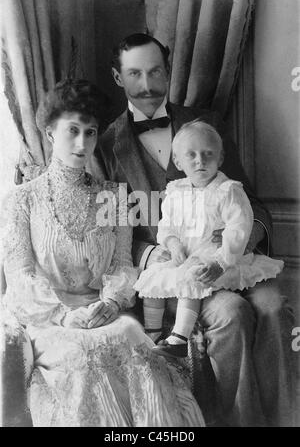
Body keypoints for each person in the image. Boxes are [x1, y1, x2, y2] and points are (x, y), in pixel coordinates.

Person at [93, 33, 295, 427]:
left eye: (155, 71)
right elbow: (113, 233)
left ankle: (285, 420)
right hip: (176, 273)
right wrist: (164, 253)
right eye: (135, 74)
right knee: (231, 312)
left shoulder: (206, 124)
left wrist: (241, 239)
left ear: (168, 72)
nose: (147, 84)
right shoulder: (105, 146)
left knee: (272, 307)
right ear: (119, 78)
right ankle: (238, 421)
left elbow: (251, 203)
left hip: (236, 256)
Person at [1, 79, 205, 427]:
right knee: (81, 357)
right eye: (72, 131)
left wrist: (111, 302)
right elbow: (20, 275)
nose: (82, 143)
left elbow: (124, 266)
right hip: (50, 319)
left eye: (91, 132)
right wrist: (64, 316)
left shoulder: (115, 196)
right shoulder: (23, 200)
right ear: (50, 134)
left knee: (133, 343)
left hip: (104, 312)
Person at [134, 120, 284, 358]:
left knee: (193, 279)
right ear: (178, 161)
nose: (200, 161)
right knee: (152, 280)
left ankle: (180, 338)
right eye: (191, 155)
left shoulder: (229, 190)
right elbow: (167, 226)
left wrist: (221, 262)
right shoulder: (175, 190)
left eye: (208, 154)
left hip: (218, 257)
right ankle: (152, 336)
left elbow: (238, 229)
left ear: (220, 158)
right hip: (184, 254)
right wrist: (172, 244)